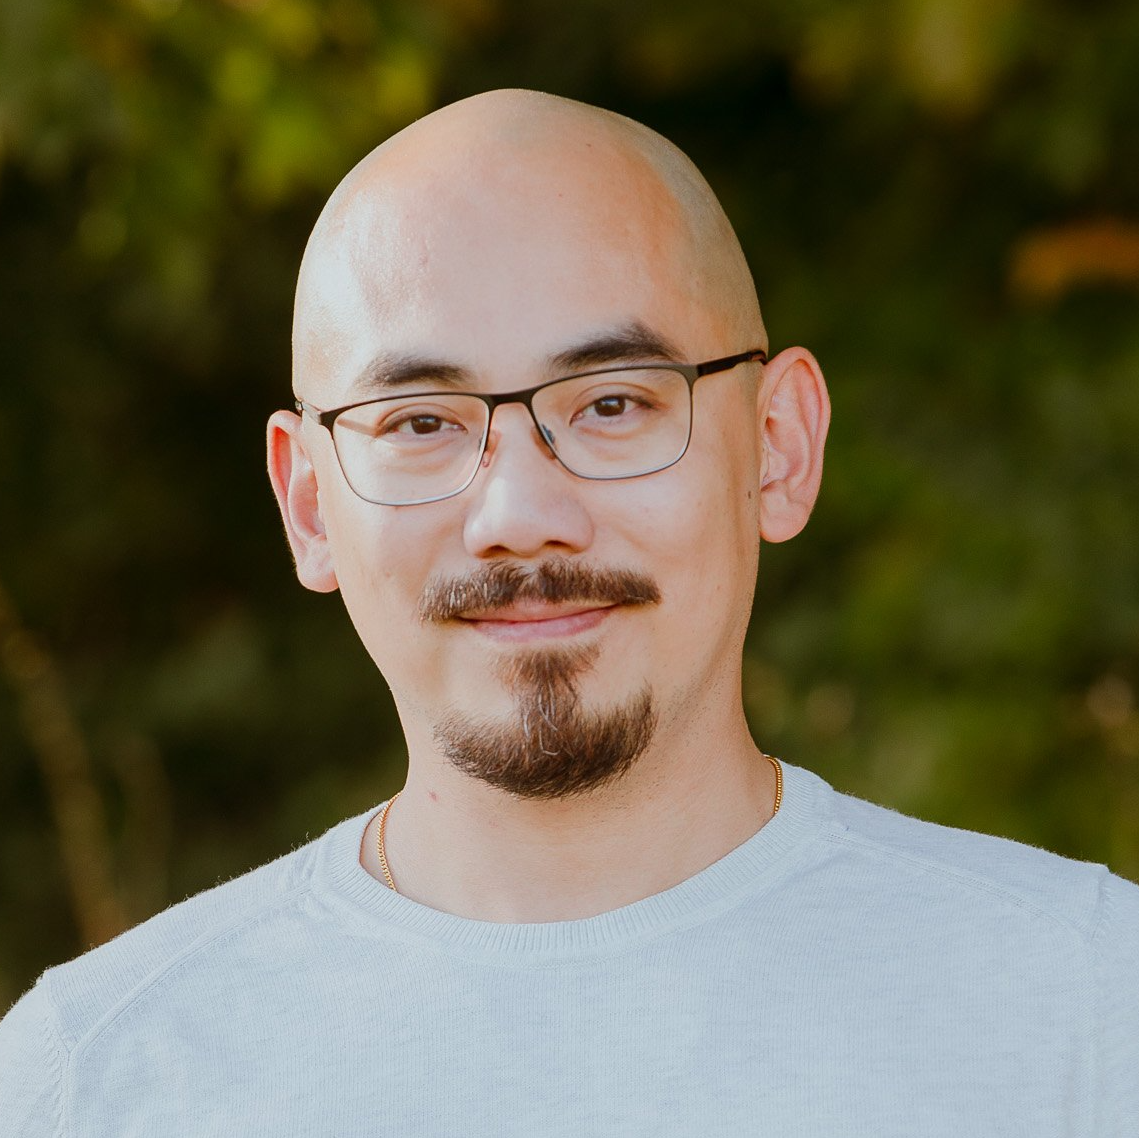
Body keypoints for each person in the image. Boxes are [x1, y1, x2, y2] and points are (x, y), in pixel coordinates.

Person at [1, 88, 1136, 1136]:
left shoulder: (1089, 1012)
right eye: (418, 422)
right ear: (307, 504)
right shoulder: (90, 1081)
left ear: (778, 447)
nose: (518, 515)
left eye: (612, 404)